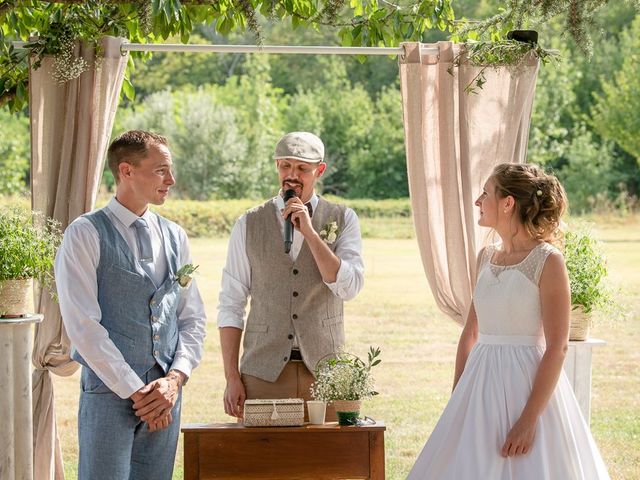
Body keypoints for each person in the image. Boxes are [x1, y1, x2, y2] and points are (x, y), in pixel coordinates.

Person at [408, 163, 610, 479]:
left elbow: (557, 347)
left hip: (528, 383)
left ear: (508, 203)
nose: (478, 201)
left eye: (485, 193)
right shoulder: (485, 258)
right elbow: (471, 332)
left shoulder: (548, 261)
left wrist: (529, 420)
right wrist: (456, 398)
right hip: (479, 382)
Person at [55, 130, 207, 480]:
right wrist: (137, 392)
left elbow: (192, 318)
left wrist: (174, 379)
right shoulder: (85, 234)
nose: (171, 180)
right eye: (161, 170)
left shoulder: (175, 235)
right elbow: (83, 327)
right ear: (126, 171)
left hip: (166, 395)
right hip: (110, 393)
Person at [217, 131, 365, 422]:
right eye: (285, 166)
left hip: (326, 372)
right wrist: (232, 376)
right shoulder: (248, 223)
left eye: (302, 168)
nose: (291, 175)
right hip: (262, 372)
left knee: (328, 463)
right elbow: (231, 304)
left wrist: (310, 233)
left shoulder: (344, 218)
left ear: (319, 170)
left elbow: (349, 288)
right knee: (263, 462)